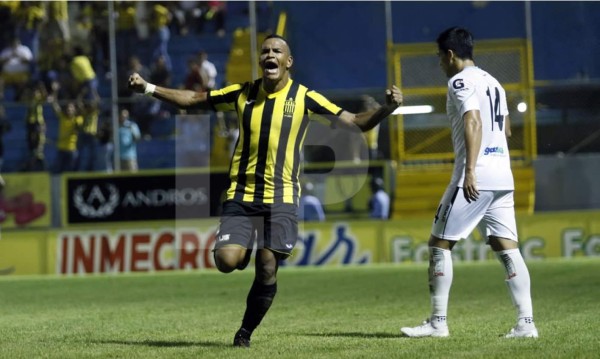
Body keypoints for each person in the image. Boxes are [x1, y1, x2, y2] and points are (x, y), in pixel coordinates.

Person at [128, 34, 403, 348]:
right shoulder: (242, 93)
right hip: (242, 195)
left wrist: (387, 109)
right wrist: (148, 88)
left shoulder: (304, 97)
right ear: (260, 60)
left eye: (277, 51)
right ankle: (241, 248)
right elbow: (192, 99)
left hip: (282, 198)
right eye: (265, 51)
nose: (269, 55)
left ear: (288, 62)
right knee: (227, 261)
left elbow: (354, 122)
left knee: (268, 265)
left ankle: (244, 333)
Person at [400, 27, 537, 339]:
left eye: (439, 58)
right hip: (503, 174)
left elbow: (472, 120)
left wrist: (472, 170)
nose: (440, 64)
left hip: (475, 176)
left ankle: (437, 323)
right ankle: (526, 324)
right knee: (507, 248)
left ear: (450, 55)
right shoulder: (494, 82)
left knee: (439, 245)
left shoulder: (459, 81)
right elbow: (507, 130)